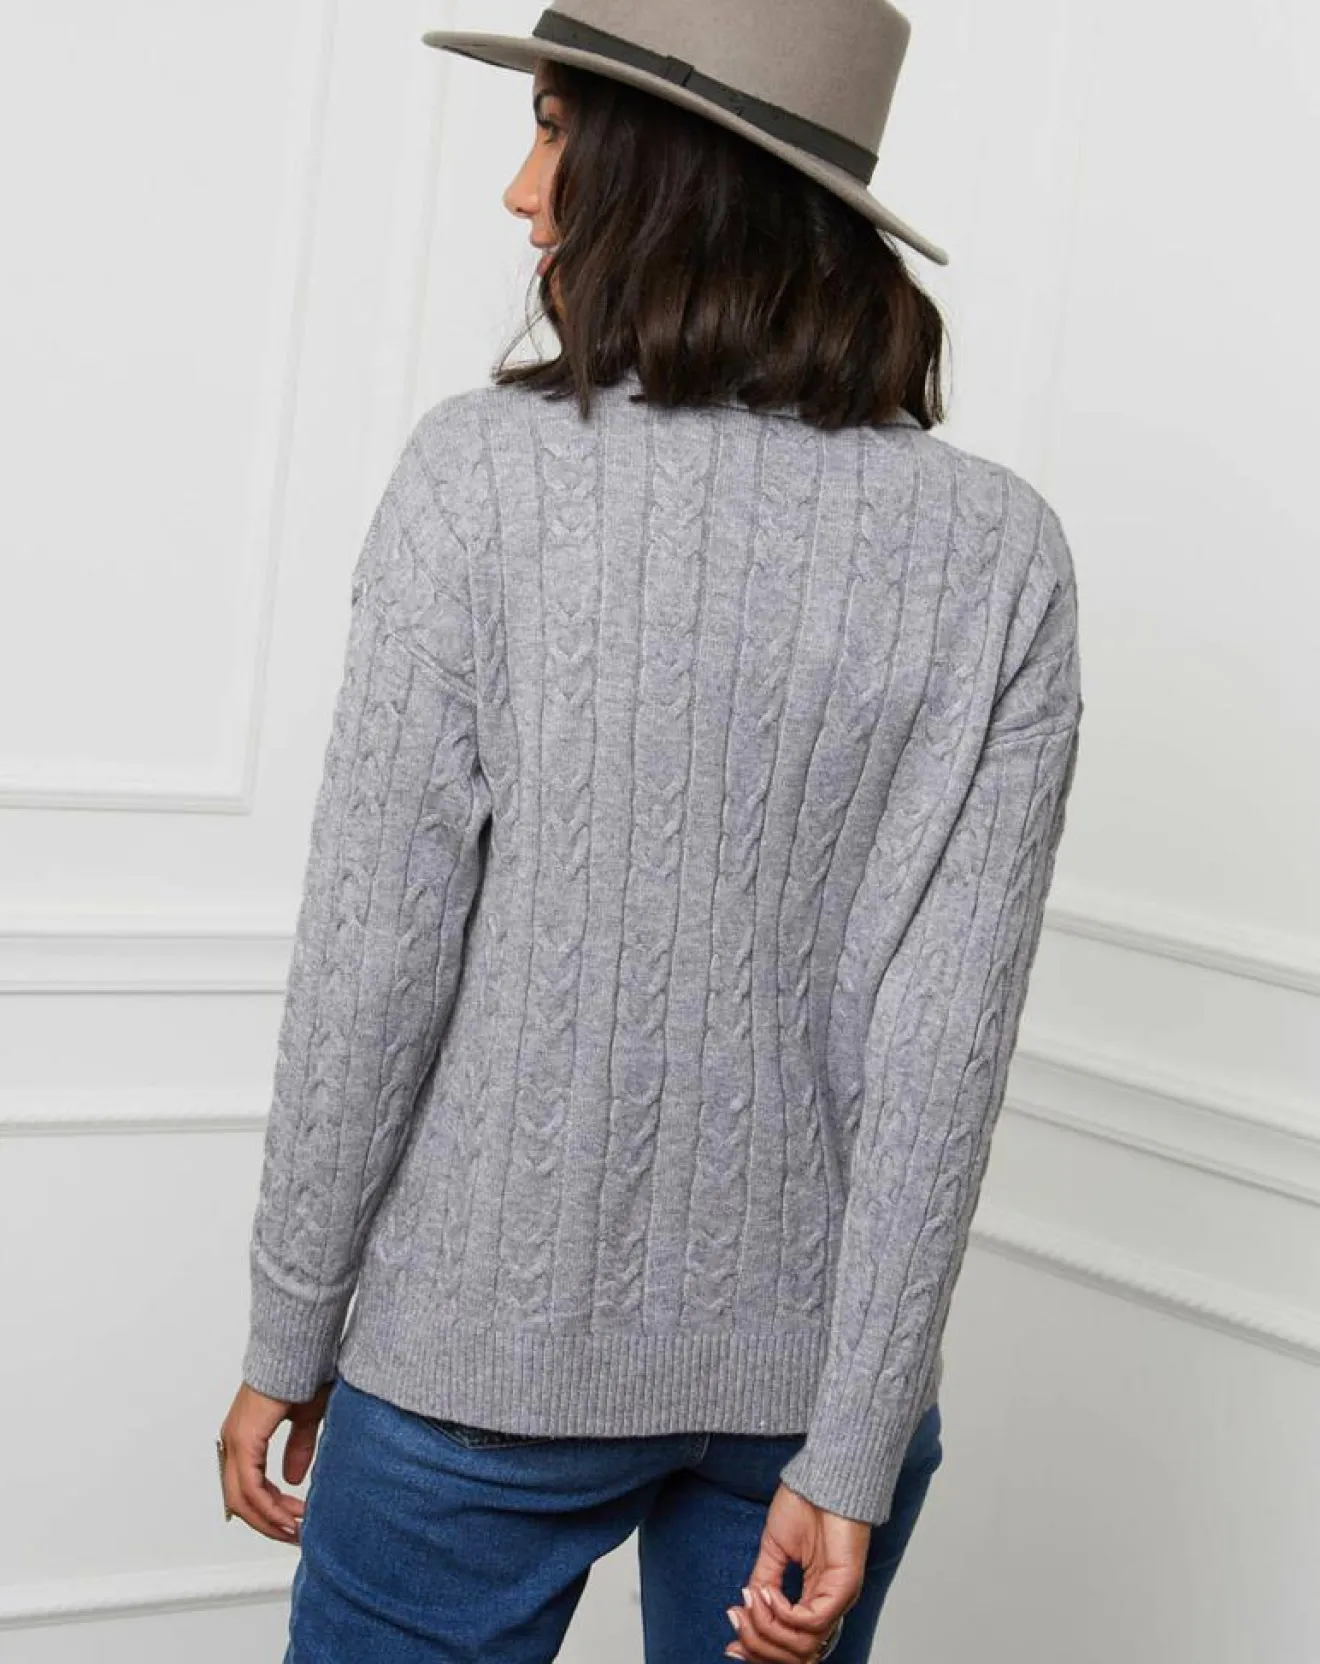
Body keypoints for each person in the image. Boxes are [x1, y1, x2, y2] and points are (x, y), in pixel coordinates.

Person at [215, 4, 1084, 1661]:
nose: (520, 189)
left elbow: (374, 959)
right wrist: (853, 1444)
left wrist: (288, 1326)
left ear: (668, 169)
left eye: (553, 129)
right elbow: (942, 1046)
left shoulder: (481, 479)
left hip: (480, 1353)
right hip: (810, 1392)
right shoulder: (1000, 553)